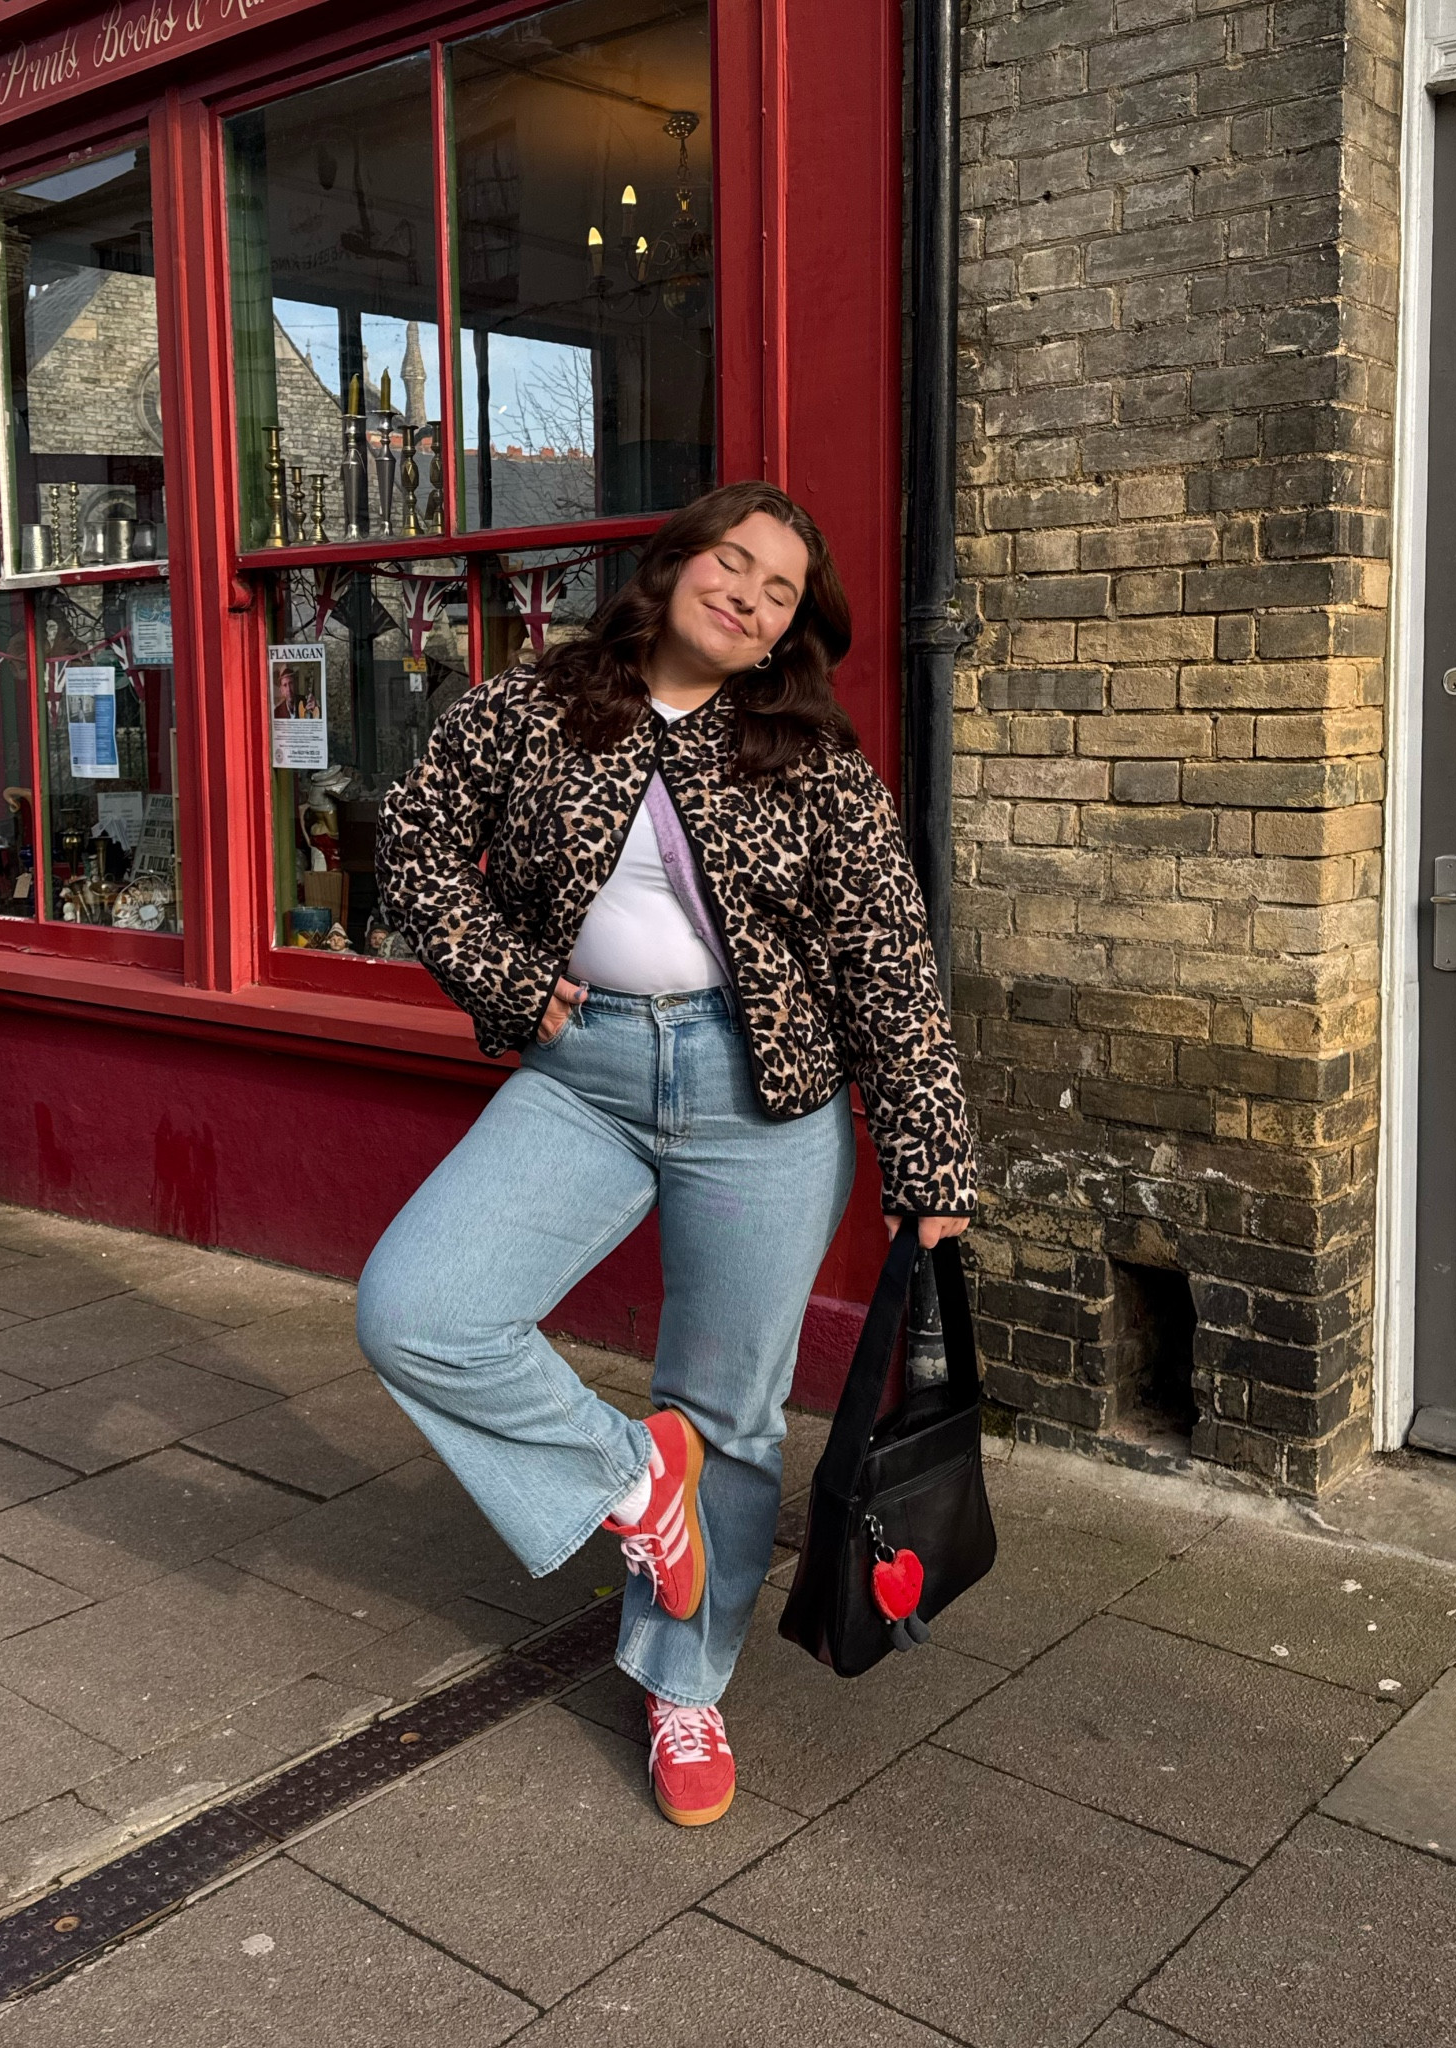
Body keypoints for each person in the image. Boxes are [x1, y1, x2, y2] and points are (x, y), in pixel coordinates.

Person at [357, 480, 974, 1829]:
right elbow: (407, 838)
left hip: (767, 1098)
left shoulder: (809, 753)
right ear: (677, 558)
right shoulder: (538, 701)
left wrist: (931, 1172)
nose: (746, 596)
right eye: (732, 563)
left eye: (777, 594)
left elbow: (887, 955)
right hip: (582, 1075)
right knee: (419, 1308)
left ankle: (683, 1686)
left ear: (785, 634)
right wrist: (509, 980)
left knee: (728, 1406)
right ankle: (638, 1486)